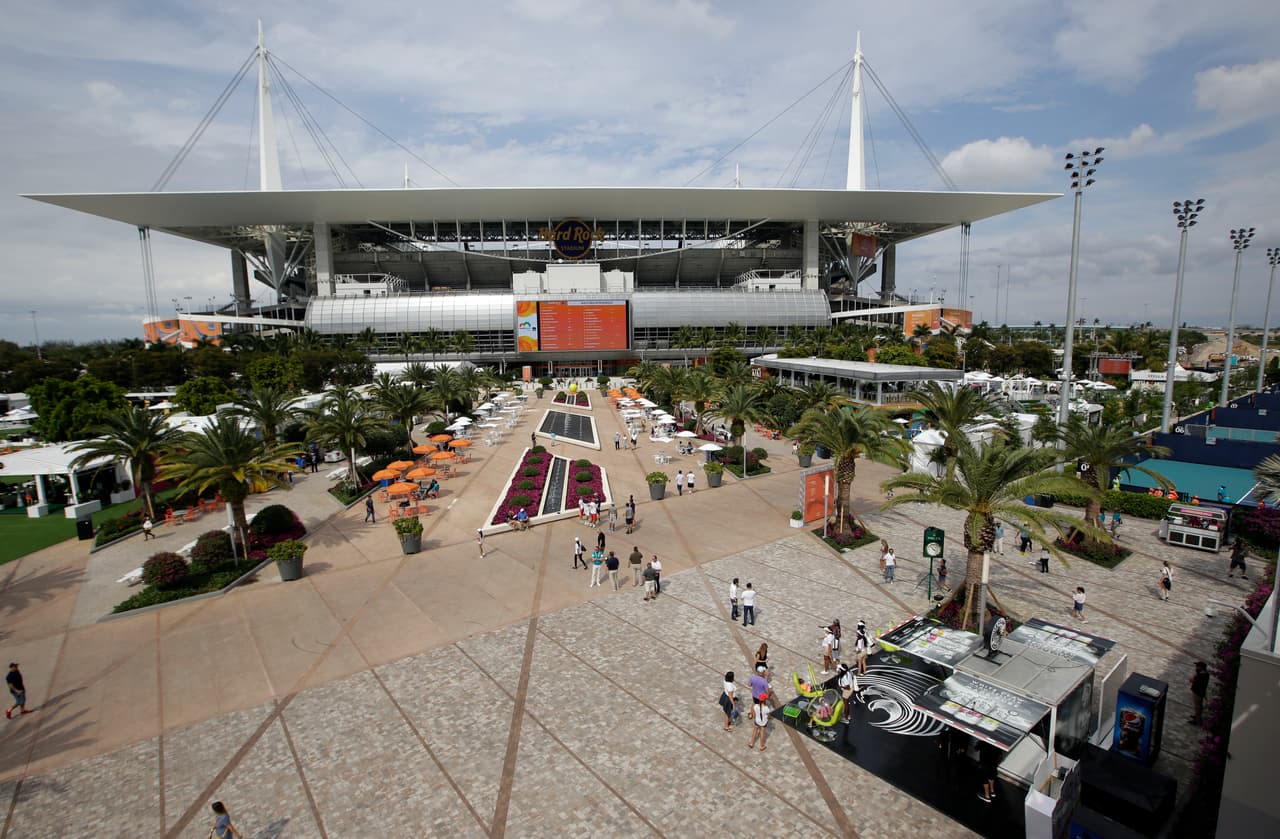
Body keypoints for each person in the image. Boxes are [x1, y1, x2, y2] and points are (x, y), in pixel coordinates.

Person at [1189, 661, 1209, 725]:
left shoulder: (1201, 675)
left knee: (1198, 707)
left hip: (1198, 693)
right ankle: (1197, 716)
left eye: (1197, 666)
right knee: (1199, 706)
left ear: (1201, 667)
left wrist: (1193, 679)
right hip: (1200, 692)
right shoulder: (1205, 674)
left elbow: (1192, 680)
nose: (1196, 667)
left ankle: (1198, 721)